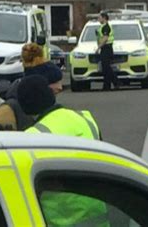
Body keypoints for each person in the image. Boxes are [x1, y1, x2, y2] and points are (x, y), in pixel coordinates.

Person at [17, 75, 106, 227]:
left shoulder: (32, 137)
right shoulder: (85, 118)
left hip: (61, 221)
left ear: (25, 107)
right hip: (99, 218)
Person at [0, 43, 63, 131]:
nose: (60, 87)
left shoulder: (51, 108)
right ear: (37, 84)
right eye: (53, 82)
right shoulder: (8, 110)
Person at [97, 11, 119, 91]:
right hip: (105, 48)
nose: (98, 19)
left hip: (107, 48)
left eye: (99, 17)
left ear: (104, 18)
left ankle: (116, 82)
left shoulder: (106, 26)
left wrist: (98, 47)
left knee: (106, 67)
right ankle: (107, 86)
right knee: (105, 68)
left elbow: (105, 38)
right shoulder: (102, 26)